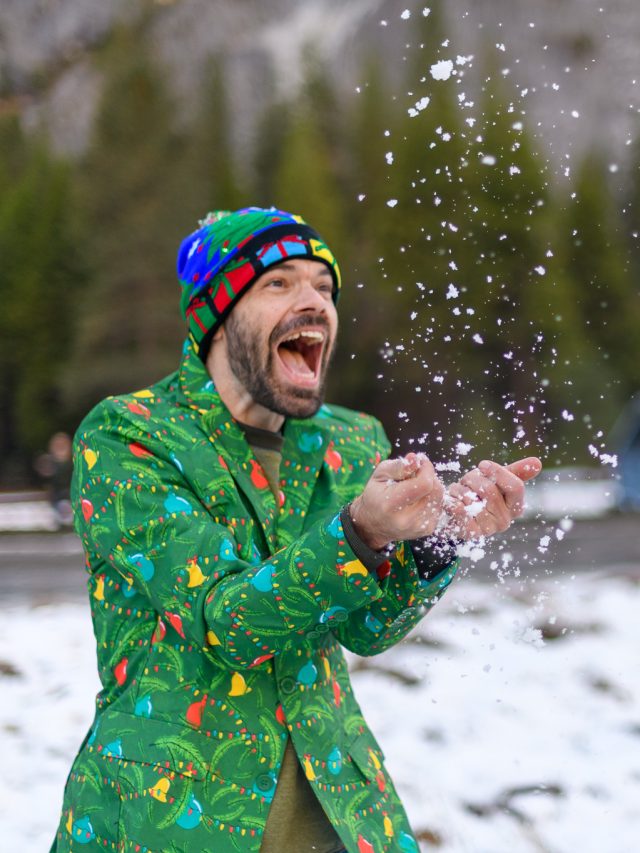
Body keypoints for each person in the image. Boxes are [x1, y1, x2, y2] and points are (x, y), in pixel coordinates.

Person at [52, 207, 541, 853]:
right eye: (279, 282)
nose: (314, 302)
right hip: (172, 817)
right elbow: (225, 621)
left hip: (340, 808)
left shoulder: (351, 438)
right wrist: (359, 532)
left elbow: (365, 627)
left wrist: (436, 540)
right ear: (217, 314)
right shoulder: (129, 437)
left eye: (324, 286)